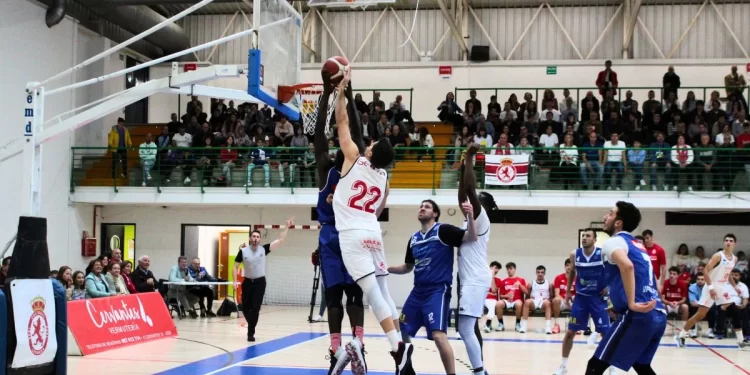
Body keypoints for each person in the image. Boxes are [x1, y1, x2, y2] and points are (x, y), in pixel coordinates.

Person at [330, 70, 410, 374]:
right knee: (385, 293)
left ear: (371, 151)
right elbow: (379, 207)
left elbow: (342, 123)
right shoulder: (385, 176)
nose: (370, 142)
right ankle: (400, 338)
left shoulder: (353, 157)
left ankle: (396, 348)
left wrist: (340, 93)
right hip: (373, 232)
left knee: (373, 295)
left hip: (352, 234)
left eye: (373, 143)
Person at [315, 70, 368, 375]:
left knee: (350, 294)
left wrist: (348, 91)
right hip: (337, 235)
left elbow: (355, 132)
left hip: (347, 234)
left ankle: (353, 344)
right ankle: (339, 348)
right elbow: (321, 134)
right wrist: (328, 91)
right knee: (339, 294)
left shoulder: (353, 164)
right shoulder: (328, 168)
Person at [388, 199, 477, 375]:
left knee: (438, 336)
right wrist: (385, 269)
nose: (422, 208)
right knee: (401, 332)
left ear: (435, 213)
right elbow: (407, 267)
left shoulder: (443, 230)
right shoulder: (413, 239)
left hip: (437, 290)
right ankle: (407, 368)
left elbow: (471, 237)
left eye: (427, 207)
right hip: (417, 291)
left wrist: (471, 217)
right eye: (420, 206)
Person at [586, 202, 666, 375]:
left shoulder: (614, 241)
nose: (604, 217)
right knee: (641, 365)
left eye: (610, 213)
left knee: (595, 365)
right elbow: (645, 277)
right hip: (658, 313)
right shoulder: (638, 245)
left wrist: (631, 303)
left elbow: (627, 267)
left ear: (618, 222)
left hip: (638, 314)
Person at [456, 145, 494, 375]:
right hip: (470, 279)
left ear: (483, 206)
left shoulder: (482, 219)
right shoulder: (469, 220)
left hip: (474, 279)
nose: (471, 199)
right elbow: (464, 193)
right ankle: (480, 369)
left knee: (465, 329)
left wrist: (469, 157)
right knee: (469, 328)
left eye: (477, 199)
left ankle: (479, 371)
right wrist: (463, 168)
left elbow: (469, 189)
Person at [554, 228, 613, 375]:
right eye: (583, 235)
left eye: (588, 236)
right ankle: (563, 366)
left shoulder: (602, 254)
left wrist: (609, 286)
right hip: (580, 298)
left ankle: (611, 367)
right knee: (570, 332)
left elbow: (614, 269)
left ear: (594, 239)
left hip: (598, 299)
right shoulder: (575, 254)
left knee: (606, 333)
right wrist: (568, 291)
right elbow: (572, 272)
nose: (584, 238)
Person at [676, 234, 746, 348]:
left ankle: (740, 340)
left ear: (734, 243)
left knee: (734, 310)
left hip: (722, 288)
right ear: (724, 243)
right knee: (700, 315)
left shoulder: (734, 258)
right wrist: (711, 288)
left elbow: (728, 274)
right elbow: (705, 271)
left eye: (731, 240)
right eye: (726, 240)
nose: (728, 242)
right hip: (710, 287)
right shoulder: (718, 256)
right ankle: (681, 335)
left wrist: (735, 287)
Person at [233, 221, 292, 342]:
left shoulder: (264, 249)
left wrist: (286, 227)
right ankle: (252, 323)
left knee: (255, 308)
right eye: (253, 236)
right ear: (250, 238)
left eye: (257, 237)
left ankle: (251, 333)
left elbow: (280, 240)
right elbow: (235, 266)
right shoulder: (243, 251)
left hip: (260, 282)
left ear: (260, 239)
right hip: (248, 282)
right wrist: (234, 281)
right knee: (245, 307)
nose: (255, 238)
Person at [520, 265, 553, 334]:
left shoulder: (549, 284)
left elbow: (552, 296)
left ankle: (548, 327)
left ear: (544, 273)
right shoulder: (531, 283)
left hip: (544, 301)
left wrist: (548, 299)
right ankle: (524, 326)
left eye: (542, 272)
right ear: (536, 273)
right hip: (534, 301)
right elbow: (527, 296)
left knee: (547, 303)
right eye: (538, 272)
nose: (540, 274)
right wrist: (529, 296)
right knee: (527, 302)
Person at [551, 258, 575, 334]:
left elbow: (577, 294)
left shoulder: (577, 278)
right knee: (556, 300)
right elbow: (557, 294)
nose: (568, 267)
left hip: (572, 300)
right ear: (565, 267)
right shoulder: (558, 278)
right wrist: (565, 300)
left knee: (578, 302)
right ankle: (556, 325)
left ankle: (573, 325)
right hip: (563, 301)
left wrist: (571, 300)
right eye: (567, 265)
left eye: (570, 265)